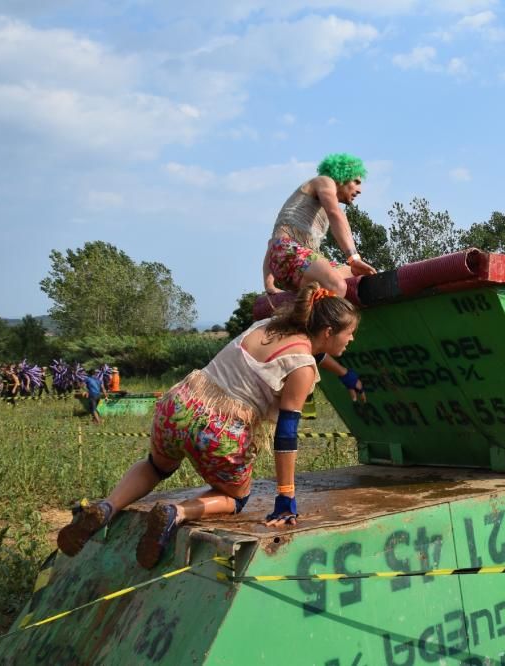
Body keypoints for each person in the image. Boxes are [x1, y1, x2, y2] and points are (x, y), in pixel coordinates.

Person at [57, 283, 366, 569]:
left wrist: (343, 373)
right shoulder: (303, 368)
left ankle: (108, 507)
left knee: (156, 466)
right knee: (236, 498)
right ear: (328, 331)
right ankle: (176, 512)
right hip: (219, 429)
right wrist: (285, 497)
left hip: (179, 403)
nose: (352, 339)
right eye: (349, 333)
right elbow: (286, 435)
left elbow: (313, 349)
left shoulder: (268, 327)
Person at [263, 153, 378, 298]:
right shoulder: (324, 181)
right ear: (341, 176)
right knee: (337, 286)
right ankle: (316, 320)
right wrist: (353, 259)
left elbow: (272, 244)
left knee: (357, 276)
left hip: (291, 259)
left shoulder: (331, 209)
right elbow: (334, 213)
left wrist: (269, 284)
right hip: (288, 253)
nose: (360, 190)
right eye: (356, 181)